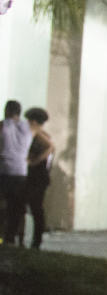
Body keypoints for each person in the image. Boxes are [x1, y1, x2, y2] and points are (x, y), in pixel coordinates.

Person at [0, 100, 32, 246]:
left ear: (7, 110)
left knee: (3, 205)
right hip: (21, 171)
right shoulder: (28, 127)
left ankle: (2, 236)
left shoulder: (3, 125)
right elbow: (48, 143)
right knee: (16, 207)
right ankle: (11, 238)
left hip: (5, 170)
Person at [22, 107, 54, 249]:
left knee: (36, 209)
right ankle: (35, 240)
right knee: (35, 209)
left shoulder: (40, 137)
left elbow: (50, 149)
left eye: (28, 121)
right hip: (40, 177)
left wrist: (32, 162)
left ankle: (36, 241)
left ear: (34, 122)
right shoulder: (44, 136)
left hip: (37, 177)